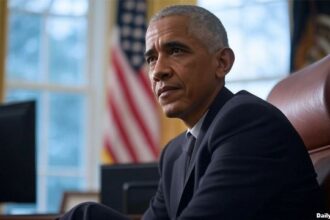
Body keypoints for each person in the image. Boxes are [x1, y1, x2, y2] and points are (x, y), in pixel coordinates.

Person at [58, 5, 324, 220]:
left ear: (222, 63)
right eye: (151, 58)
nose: (158, 70)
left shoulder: (249, 123)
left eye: (175, 51)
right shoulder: (173, 154)